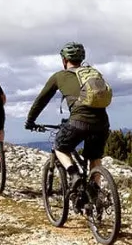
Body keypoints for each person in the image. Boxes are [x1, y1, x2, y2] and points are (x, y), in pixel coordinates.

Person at [25, 42, 112, 192]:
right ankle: (96, 194)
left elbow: (41, 101)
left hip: (79, 121)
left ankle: (73, 175)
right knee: (95, 158)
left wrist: (30, 121)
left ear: (64, 60)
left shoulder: (59, 76)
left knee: (60, 146)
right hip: (102, 123)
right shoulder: (94, 73)